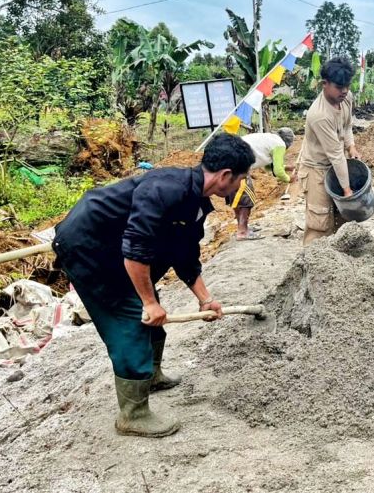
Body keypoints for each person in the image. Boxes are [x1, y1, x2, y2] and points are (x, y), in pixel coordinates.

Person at [52, 133, 255, 438]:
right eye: (242, 179)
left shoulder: (195, 201)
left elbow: (184, 253)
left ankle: (152, 375)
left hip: (115, 247)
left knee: (151, 315)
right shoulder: (164, 189)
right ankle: (133, 415)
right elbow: (136, 248)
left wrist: (205, 299)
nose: (242, 186)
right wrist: (148, 302)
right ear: (226, 176)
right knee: (133, 319)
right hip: (87, 246)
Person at [297, 57, 360, 245]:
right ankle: (311, 261)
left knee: (342, 217)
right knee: (320, 222)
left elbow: (347, 125)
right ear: (325, 84)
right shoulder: (319, 115)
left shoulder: (346, 98)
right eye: (340, 87)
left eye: (347, 86)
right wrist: (347, 190)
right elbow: (335, 155)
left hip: (337, 164)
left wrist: (351, 146)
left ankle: (339, 261)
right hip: (316, 169)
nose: (345, 91)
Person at [226, 128, 296, 240]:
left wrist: (286, 167)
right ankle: (242, 232)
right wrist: (288, 179)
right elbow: (278, 171)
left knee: (238, 198)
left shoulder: (269, 139)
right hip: (238, 164)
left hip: (229, 160)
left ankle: (242, 226)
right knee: (247, 199)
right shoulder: (280, 144)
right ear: (289, 142)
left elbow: (268, 166)